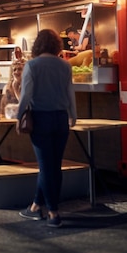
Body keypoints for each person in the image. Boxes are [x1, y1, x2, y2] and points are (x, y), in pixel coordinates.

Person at [17, 29, 77, 228]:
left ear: (37, 45)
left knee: (45, 166)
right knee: (54, 165)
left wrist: (19, 117)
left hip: (40, 119)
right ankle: (35, 206)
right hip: (61, 119)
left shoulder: (32, 65)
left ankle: (53, 212)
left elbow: (26, 95)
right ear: (57, 45)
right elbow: (71, 92)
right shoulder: (65, 65)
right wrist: (73, 116)